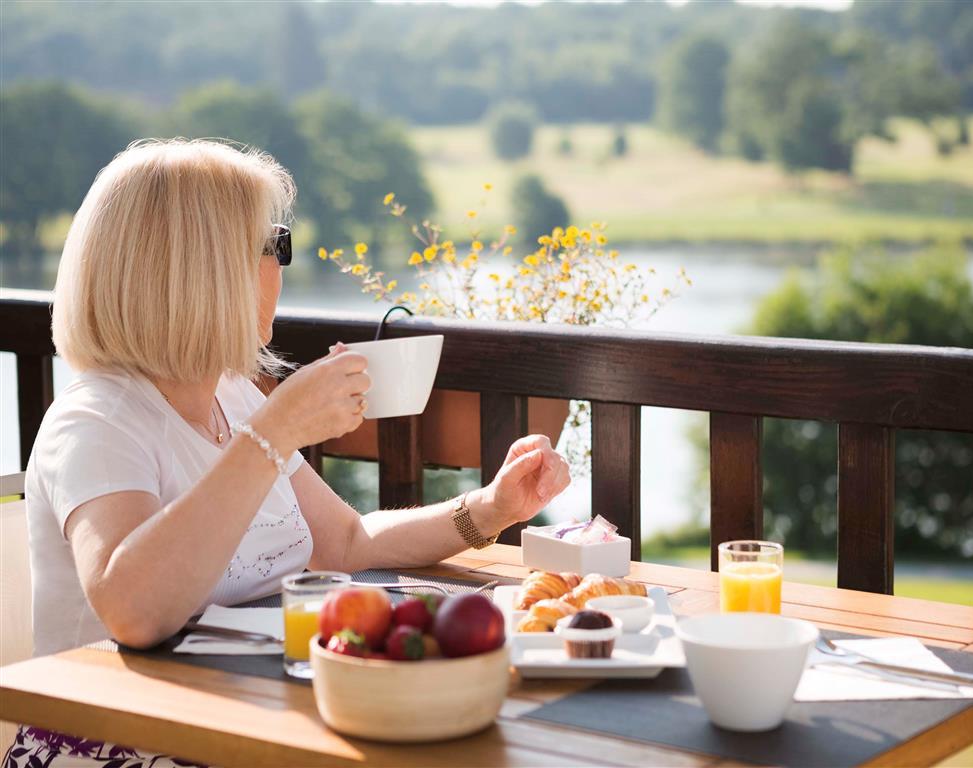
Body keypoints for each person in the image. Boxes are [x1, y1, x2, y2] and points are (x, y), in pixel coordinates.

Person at [8, 138, 570, 766]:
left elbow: (349, 543)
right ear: (204, 268)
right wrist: (274, 433)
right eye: (275, 244)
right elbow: (134, 611)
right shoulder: (97, 422)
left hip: (246, 717)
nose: (283, 265)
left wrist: (489, 509)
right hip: (134, 740)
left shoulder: (231, 398)